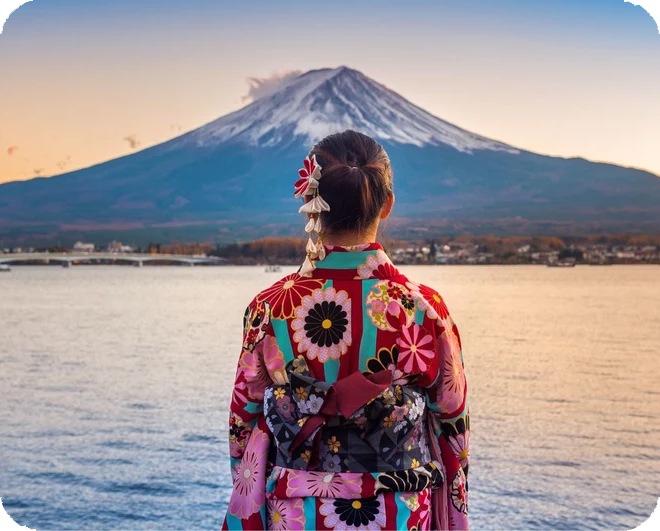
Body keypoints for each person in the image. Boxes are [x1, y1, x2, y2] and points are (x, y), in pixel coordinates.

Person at [223, 130, 470, 531]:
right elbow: (453, 428)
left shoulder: (270, 307)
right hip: (399, 510)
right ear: (387, 205)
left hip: (297, 510)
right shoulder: (424, 309)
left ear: (311, 204)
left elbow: (242, 422)